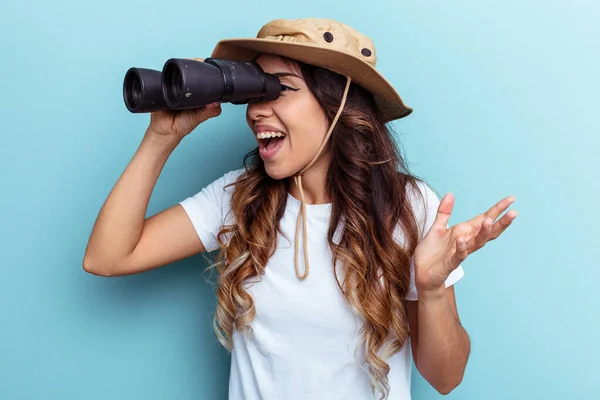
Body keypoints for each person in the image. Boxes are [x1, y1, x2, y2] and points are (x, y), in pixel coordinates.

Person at [83, 18, 518, 400]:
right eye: (254, 91)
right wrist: (162, 136)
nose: (256, 111)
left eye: (281, 89)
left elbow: (446, 379)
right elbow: (107, 257)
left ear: (339, 106)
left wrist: (432, 289)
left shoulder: (407, 207)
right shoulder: (239, 198)